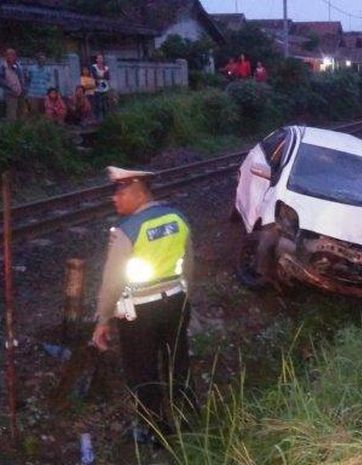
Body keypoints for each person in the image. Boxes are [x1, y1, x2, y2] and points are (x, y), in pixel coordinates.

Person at [91, 167, 196, 443]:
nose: (115, 199)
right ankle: (185, 417)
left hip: (140, 314)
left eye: (120, 193)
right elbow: (190, 267)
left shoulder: (127, 231)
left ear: (138, 193)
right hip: (176, 303)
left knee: (142, 371)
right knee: (177, 361)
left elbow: (112, 281)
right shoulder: (178, 219)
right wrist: (185, 299)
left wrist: (102, 320)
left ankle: (155, 430)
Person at [0, 48, 27, 120]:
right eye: (9, 54)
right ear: (6, 56)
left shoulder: (18, 66)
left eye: (13, 54)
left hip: (21, 93)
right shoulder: (3, 67)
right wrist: (11, 88)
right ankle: (11, 130)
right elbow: (1, 80)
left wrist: (23, 88)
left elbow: (22, 78)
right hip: (10, 94)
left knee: (22, 113)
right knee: (11, 115)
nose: (11, 56)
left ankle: (21, 130)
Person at [91, 54, 110, 121]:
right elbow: (94, 76)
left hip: (105, 88)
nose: (100, 60)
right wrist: (102, 76)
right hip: (97, 88)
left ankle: (106, 119)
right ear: (96, 60)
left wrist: (100, 77)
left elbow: (107, 77)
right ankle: (97, 119)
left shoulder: (106, 68)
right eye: (98, 58)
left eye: (101, 58)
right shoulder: (94, 67)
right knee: (97, 105)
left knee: (105, 105)